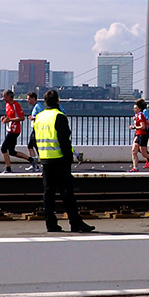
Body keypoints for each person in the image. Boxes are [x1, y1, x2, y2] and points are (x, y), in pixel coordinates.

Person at [32, 89, 94, 233]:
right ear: (58, 101)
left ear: (45, 102)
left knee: (48, 193)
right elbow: (65, 141)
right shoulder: (59, 116)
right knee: (67, 193)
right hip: (60, 160)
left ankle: (50, 224)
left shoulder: (39, 117)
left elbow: (33, 139)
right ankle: (75, 223)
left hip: (45, 160)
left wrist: (42, 154)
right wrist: (68, 159)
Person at [0, 90, 31, 173]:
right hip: (10, 129)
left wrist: (9, 119)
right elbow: (10, 116)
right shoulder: (7, 105)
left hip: (15, 130)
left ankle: (8, 168)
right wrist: (5, 118)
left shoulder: (16, 105)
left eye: (4, 97)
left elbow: (22, 118)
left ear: (9, 97)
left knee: (3, 148)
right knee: (12, 152)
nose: (3, 98)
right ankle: (31, 160)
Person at [25, 92, 44, 171]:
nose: (28, 101)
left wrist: (34, 118)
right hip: (35, 129)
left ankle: (36, 164)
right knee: (33, 146)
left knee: (31, 146)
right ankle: (36, 164)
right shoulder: (36, 106)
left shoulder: (38, 106)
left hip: (37, 129)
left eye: (29, 99)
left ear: (33, 98)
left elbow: (42, 115)